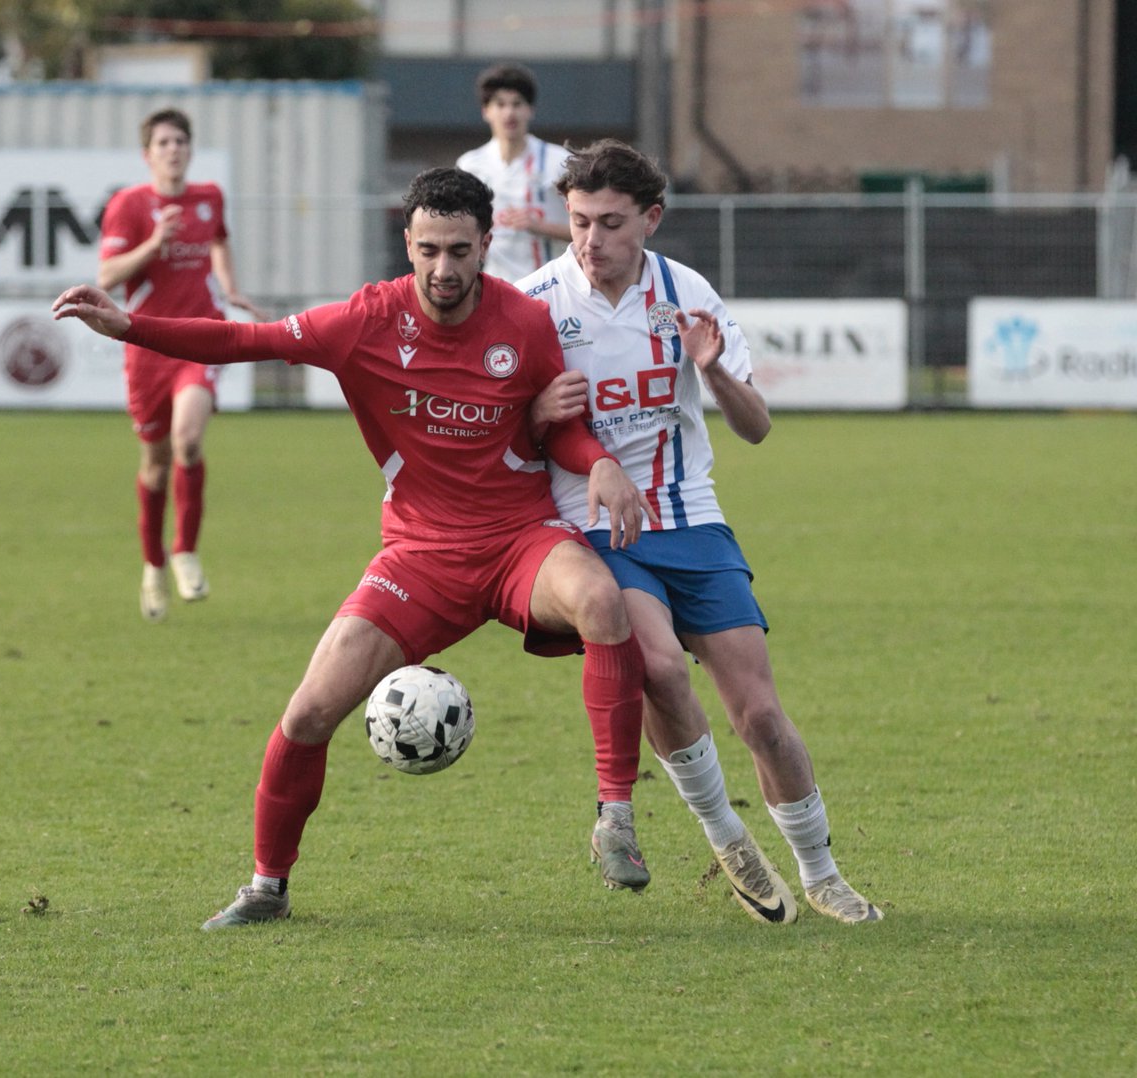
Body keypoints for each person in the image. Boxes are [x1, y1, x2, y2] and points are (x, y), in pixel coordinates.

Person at [54, 167, 657, 930]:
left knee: (601, 601)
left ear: (485, 245)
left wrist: (596, 460)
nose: (444, 268)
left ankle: (615, 818)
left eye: (460, 251)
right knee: (308, 713)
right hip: (419, 558)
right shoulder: (366, 321)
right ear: (407, 244)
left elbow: (559, 426)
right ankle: (267, 887)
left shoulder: (526, 323)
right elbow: (245, 339)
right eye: (429, 250)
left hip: (518, 541)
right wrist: (129, 326)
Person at [517, 140, 883, 925]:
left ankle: (822, 874)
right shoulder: (534, 303)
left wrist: (712, 371)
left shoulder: (687, 294)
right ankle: (726, 836)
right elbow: (499, 431)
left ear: (650, 219)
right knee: (658, 669)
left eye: (611, 223)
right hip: (598, 531)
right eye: (578, 222)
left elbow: (756, 427)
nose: (590, 240)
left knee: (761, 717)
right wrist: (537, 413)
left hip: (694, 523)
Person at [98, 107, 265, 623]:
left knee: (187, 440)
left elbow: (220, 240)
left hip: (200, 336)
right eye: (164, 143)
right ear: (147, 154)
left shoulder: (209, 196)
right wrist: (154, 244)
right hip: (147, 348)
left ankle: (185, 551)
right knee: (154, 465)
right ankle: (152, 566)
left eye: (181, 141)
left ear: (190, 149)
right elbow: (106, 276)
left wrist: (230, 289)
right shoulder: (129, 205)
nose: (174, 149)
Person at [456, 62, 572, 282]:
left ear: (530, 110)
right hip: (494, 285)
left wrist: (539, 226)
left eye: (517, 104)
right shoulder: (470, 165)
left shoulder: (559, 161)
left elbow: (589, 231)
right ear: (486, 111)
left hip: (549, 286)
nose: (509, 113)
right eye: (500, 104)